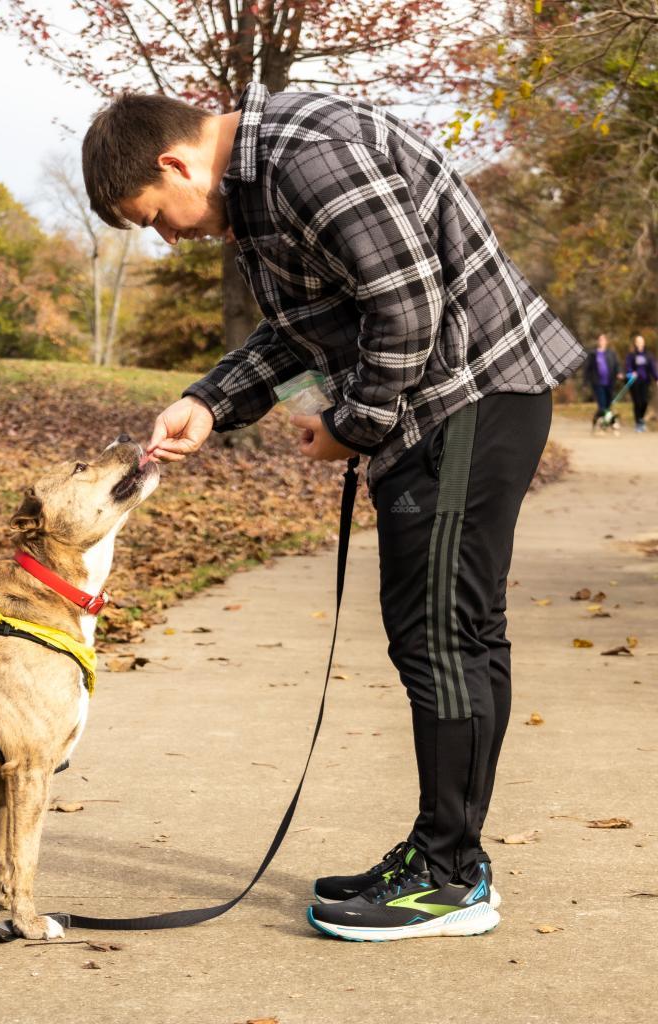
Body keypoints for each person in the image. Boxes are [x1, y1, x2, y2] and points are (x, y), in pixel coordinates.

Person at [82, 85, 584, 942]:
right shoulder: (260, 187)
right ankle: (445, 853)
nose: (167, 238)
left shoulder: (306, 157)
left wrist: (353, 426)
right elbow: (306, 326)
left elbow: (407, 307)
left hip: (469, 399)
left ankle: (448, 879)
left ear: (175, 163)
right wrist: (209, 402)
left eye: (155, 216)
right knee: (446, 633)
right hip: (447, 407)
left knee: (442, 637)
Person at [584, 334, 621, 431]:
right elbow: (587, 368)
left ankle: (604, 423)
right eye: (600, 340)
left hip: (609, 382)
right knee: (602, 405)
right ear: (598, 341)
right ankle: (603, 423)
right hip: (598, 383)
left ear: (606, 342)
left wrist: (619, 373)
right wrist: (585, 381)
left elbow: (616, 365)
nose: (602, 341)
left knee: (608, 405)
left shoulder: (611, 353)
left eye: (604, 340)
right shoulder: (593, 354)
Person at [625, 334, 658, 432]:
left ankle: (641, 419)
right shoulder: (631, 355)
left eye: (641, 341)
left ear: (644, 343)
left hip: (645, 381)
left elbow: (652, 368)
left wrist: (656, 378)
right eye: (638, 341)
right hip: (634, 382)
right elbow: (628, 366)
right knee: (637, 402)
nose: (640, 343)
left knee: (644, 402)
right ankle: (638, 423)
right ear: (635, 343)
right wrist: (631, 372)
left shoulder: (648, 355)